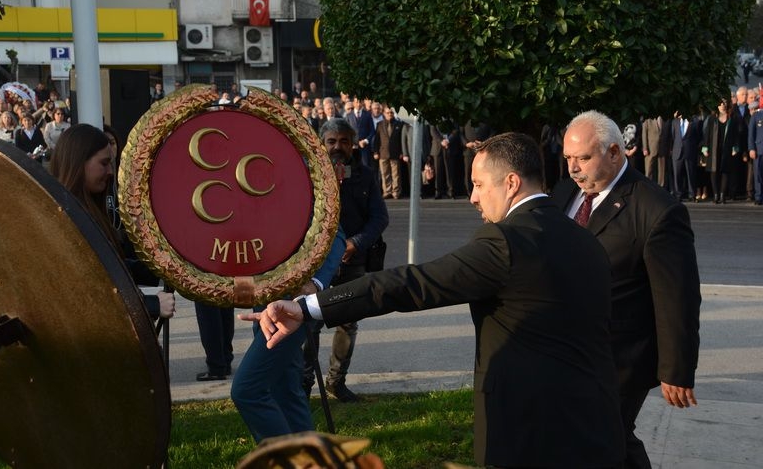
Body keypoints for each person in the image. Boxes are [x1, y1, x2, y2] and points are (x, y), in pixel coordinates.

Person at [242, 133, 625, 468]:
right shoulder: (584, 237)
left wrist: (308, 307)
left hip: (535, 432)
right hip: (598, 422)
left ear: (510, 183)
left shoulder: (505, 242)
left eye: (477, 184)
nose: (473, 197)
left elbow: (410, 283)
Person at [552, 110, 701, 469]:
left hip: (621, 356)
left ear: (616, 152)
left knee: (605, 432)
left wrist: (676, 369)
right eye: (568, 158)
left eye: (583, 158)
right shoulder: (563, 192)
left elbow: (677, 298)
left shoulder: (658, 210)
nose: (573, 168)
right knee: (602, 437)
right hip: (568, 349)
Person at [302, 119, 389, 402]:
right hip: (317, 266)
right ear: (322, 143)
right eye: (331, 141)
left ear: (352, 144)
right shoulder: (308, 175)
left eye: (343, 141)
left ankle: (336, 382)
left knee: (348, 324)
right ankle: (302, 385)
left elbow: (380, 218)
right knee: (309, 324)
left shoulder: (366, 175)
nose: (337, 147)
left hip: (354, 261)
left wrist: (355, 243)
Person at [50, 124, 175, 320]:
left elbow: (110, 266)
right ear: (78, 162)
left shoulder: (83, 210)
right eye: (104, 163)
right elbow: (86, 291)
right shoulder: (65, 220)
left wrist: (157, 265)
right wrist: (150, 305)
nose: (110, 171)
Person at [231, 232, 346, 442]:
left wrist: (314, 284)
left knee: (247, 390)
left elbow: (335, 234)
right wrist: (241, 288)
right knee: (284, 387)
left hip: (294, 303)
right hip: (265, 302)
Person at [702, 98, 744, 204]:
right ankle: (716, 195)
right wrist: (705, 147)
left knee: (725, 171)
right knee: (714, 171)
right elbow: (707, 134)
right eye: (720, 103)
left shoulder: (732, 119)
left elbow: (736, 135)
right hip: (713, 148)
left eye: (724, 103)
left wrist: (735, 147)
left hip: (727, 148)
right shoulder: (712, 118)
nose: (722, 105)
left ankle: (722, 195)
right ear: (717, 106)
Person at [372, 106, 404, 199]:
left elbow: (401, 139)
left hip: (395, 153)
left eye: (391, 113)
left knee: (396, 174)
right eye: (387, 113)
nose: (389, 114)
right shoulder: (380, 124)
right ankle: (387, 191)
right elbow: (377, 140)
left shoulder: (399, 124)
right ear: (384, 114)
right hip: (383, 153)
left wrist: (402, 152)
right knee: (385, 174)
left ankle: (396, 192)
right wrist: (375, 152)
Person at [747, 100, 763, 205]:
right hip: (759, 149)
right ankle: (759, 196)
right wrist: (751, 148)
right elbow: (751, 134)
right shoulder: (756, 115)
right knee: (758, 174)